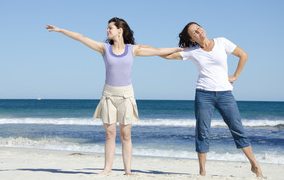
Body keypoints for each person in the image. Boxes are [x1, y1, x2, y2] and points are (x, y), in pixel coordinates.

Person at [46, 17, 182, 175]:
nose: (107, 30)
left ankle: (128, 171)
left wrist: (180, 49)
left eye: (110, 28)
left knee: (126, 134)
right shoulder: (104, 48)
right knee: (110, 133)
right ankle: (107, 169)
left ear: (120, 30)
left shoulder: (133, 49)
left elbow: (158, 51)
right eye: (108, 28)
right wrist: (61, 30)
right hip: (109, 95)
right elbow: (81, 37)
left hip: (126, 96)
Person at [162, 22, 263, 178]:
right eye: (194, 32)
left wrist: (235, 76)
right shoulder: (193, 51)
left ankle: (254, 165)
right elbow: (166, 56)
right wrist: (178, 49)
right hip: (203, 94)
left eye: (198, 27)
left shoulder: (222, 42)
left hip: (225, 94)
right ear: (192, 38)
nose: (198, 30)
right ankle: (202, 171)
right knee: (202, 132)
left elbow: (244, 55)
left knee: (237, 128)